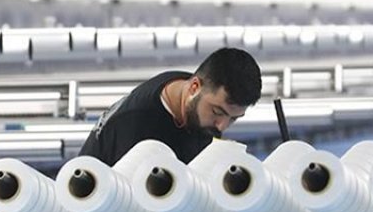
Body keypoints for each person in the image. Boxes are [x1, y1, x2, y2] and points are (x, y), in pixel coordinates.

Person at [78, 47, 264, 166]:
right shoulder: (138, 129)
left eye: (233, 119)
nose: (222, 125)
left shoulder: (191, 90)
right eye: (217, 112)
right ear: (194, 87)